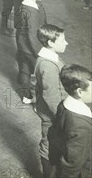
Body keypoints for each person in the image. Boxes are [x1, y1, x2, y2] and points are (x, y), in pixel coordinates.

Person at [34, 24, 68, 176]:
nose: (66, 43)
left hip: (54, 111)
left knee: (54, 142)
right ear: (50, 43)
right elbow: (50, 95)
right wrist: (61, 116)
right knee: (48, 144)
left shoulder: (50, 57)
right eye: (62, 40)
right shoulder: (47, 65)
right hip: (52, 114)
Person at [48, 64, 92, 177]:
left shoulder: (63, 105)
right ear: (80, 92)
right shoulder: (81, 126)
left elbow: (54, 136)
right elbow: (72, 165)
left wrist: (53, 163)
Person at [15, 0, 48, 104]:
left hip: (22, 45)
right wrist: (40, 52)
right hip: (32, 48)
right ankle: (40, 103)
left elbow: (17, 26)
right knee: (41, 75)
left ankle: (26, 95)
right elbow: (32, 35)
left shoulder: (24, 6)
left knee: (24, 70)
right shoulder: (31, 12)